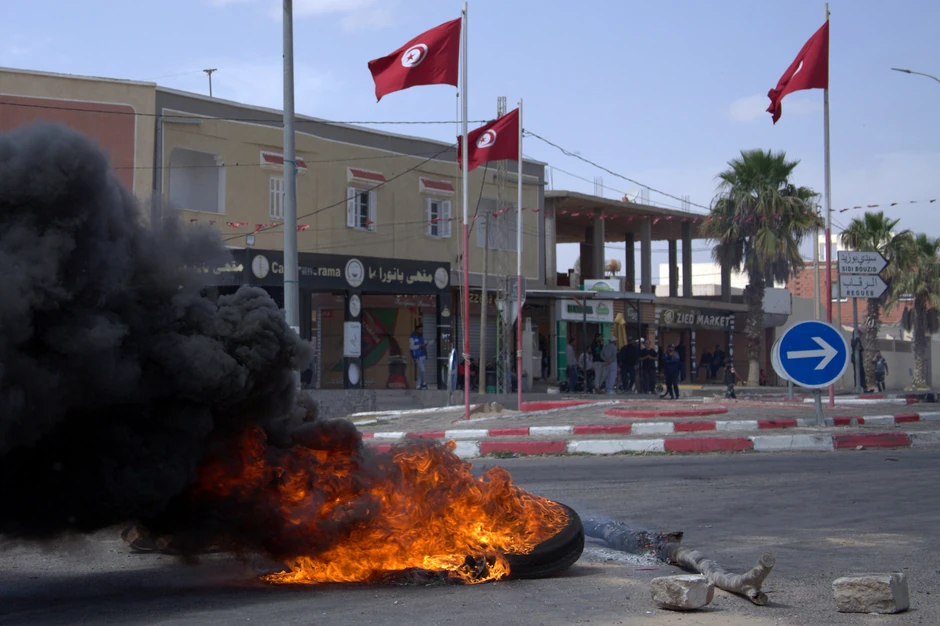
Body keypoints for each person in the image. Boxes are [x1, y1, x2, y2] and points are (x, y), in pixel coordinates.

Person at [409, 324, 428, 390]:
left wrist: (433, 341)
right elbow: (411, 347)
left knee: (421, 371)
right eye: (420, 330)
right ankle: (424, 383)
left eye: (422, 330)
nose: (421, 331)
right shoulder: (412, 338)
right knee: (423, 370)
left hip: (423, 356)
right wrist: (419, 346)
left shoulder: (421, 337)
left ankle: (418, 385)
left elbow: (425, 344)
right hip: (418, 356)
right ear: (416, 330)